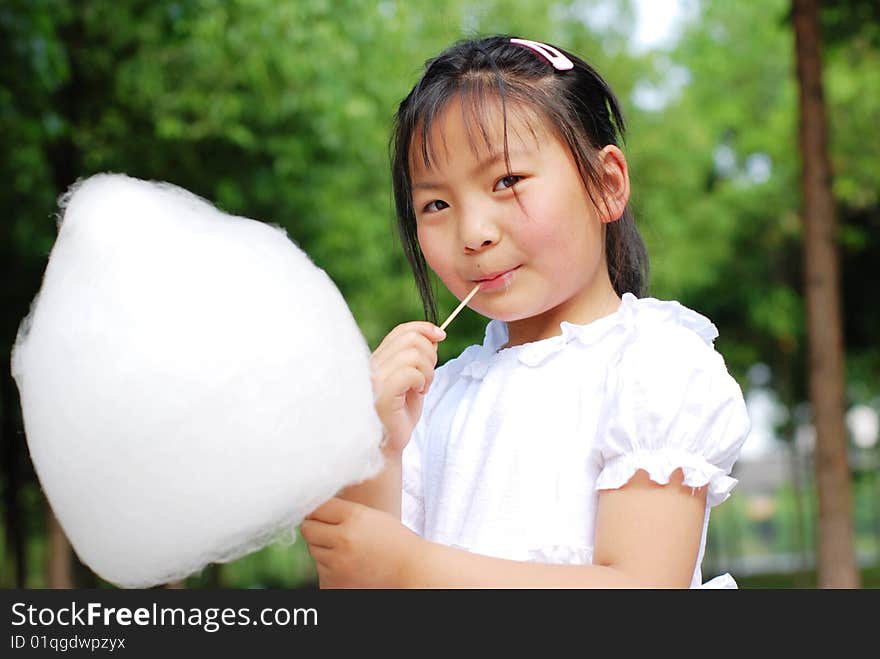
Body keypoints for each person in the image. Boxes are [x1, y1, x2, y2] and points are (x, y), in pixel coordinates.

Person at [301, 35, 751, 588]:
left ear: (607, 185)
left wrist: (412, 567)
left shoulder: (652, 367)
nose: (473, 233)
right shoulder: (433, 401)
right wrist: (377, 444)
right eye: (436, 204)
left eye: (507, 181)